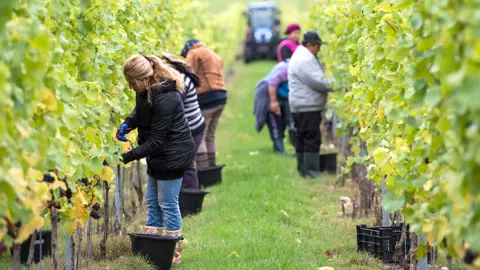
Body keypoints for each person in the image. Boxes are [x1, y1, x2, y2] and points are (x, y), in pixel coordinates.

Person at [117, 54, 194, 264]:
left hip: (172, 155)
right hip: (158, 156)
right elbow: (139, 112)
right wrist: (128, 123)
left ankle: (172, 254)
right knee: (152, 201)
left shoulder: (166, 98)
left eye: (132, 82)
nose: (130, 87)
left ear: (143, 78)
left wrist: (128, 156)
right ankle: (154, 248)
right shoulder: (145, 91)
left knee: (167, 203)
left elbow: (157, 141)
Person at [288, 31, 334, 178]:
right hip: (307, 105)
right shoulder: (304, 60)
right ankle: (312, 172)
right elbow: (319, 81)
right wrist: (339, 85)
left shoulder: (302, 56)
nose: (319, 49)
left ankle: (303, 169)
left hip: (302, 104)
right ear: (309, 45)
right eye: (317, 46)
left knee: (302, 137)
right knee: (311, 138)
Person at [161, 52, 205, 190]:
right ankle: (186, 198)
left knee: (187, 164)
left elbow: (174, 105)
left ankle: (190, 200)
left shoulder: (182, 80)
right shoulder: (176, 80)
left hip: (192, 129)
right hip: (190, 128)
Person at [182, 39, 227, 168]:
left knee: (199, 135)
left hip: (207, 97)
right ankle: (212, 167)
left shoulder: (193, 53)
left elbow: (188, 74)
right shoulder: (213, 54)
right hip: (221, 97)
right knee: (210, 135)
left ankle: (204, 171)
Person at [266, 60, 295, 155]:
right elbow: (272, 83)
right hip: (269, 94)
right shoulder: (286, 69)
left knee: (284, 121)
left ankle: (280, 146)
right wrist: (273, 102)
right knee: (275, 121)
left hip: (283, 96)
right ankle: (279, 149)